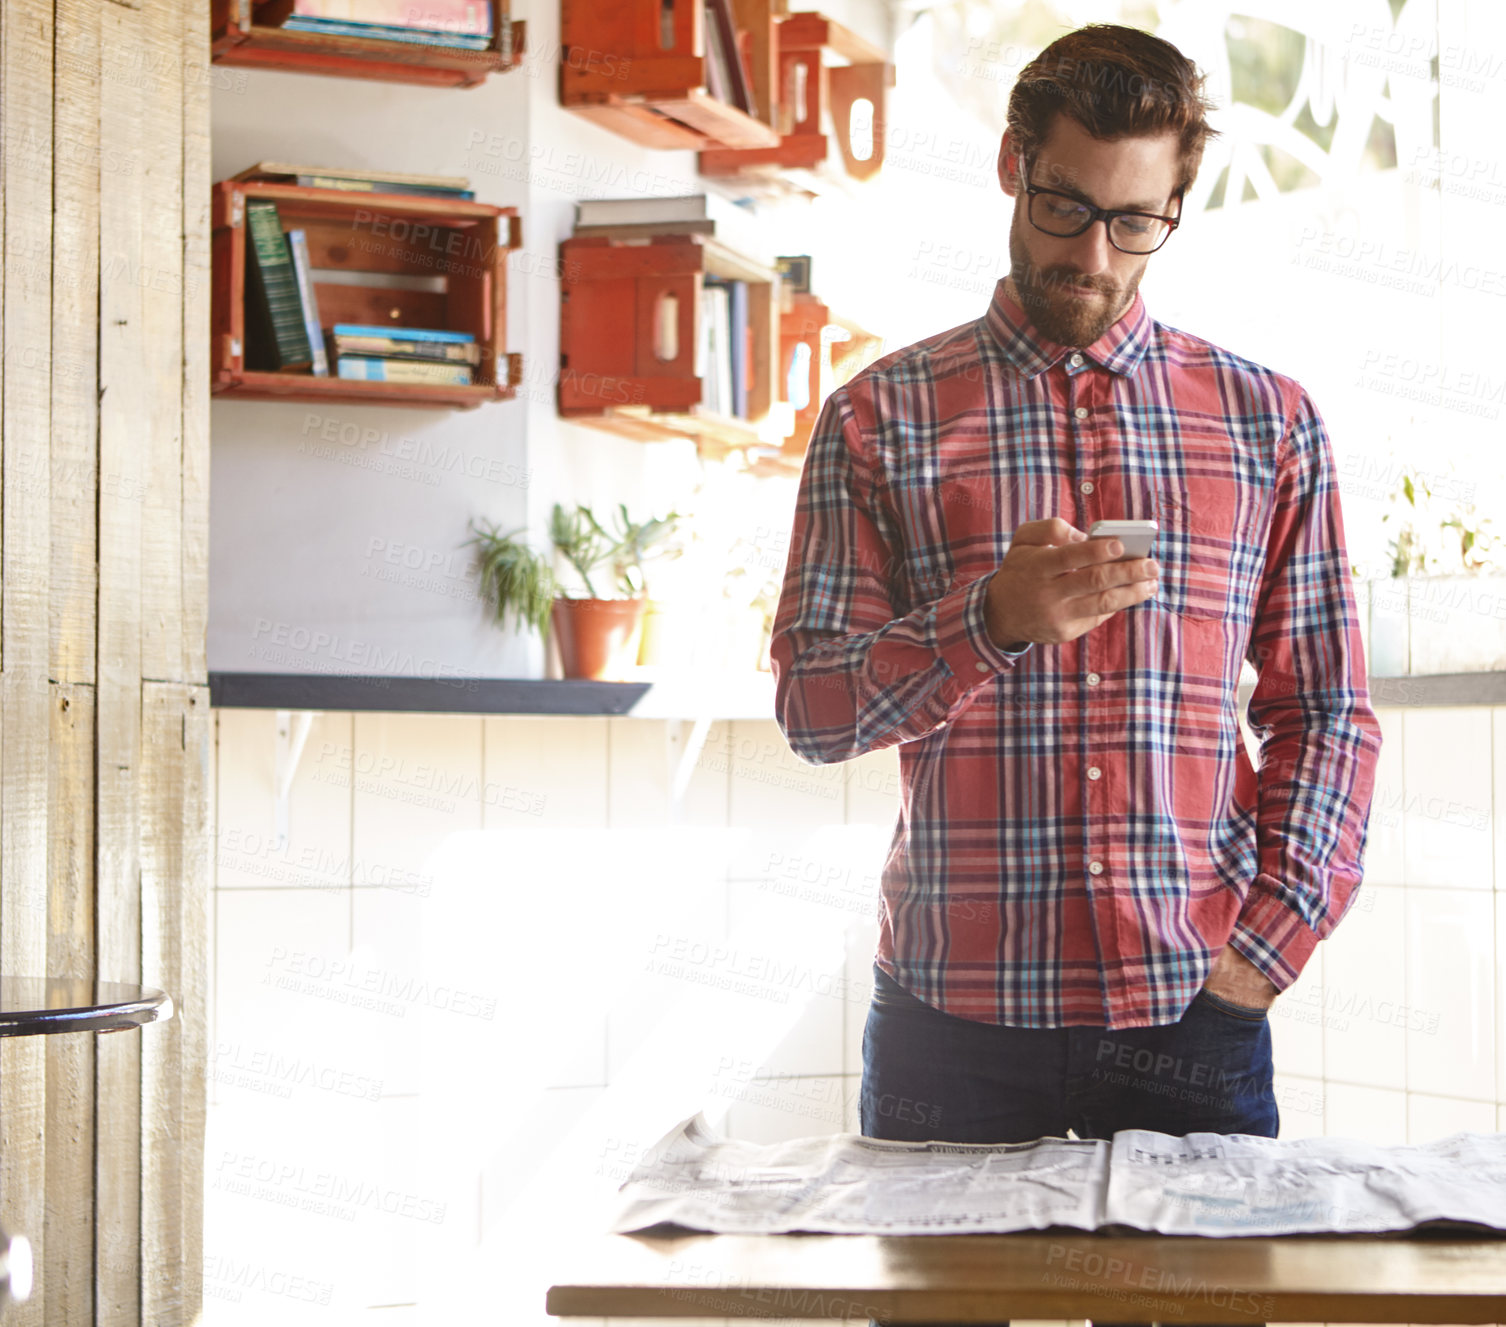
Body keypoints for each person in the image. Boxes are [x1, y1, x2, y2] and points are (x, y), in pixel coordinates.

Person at [771, 23, 1382, 1164]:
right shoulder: (879, 418)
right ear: (1014, 164)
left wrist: (1266, 947)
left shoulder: (1268, 424)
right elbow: (812, 708)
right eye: (1066, 208)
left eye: (1136, 221)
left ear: (1175, 205)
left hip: (1196, 1013)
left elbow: (1327, 713)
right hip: (948, 1024)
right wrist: (990, 622)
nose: (1095, 256)